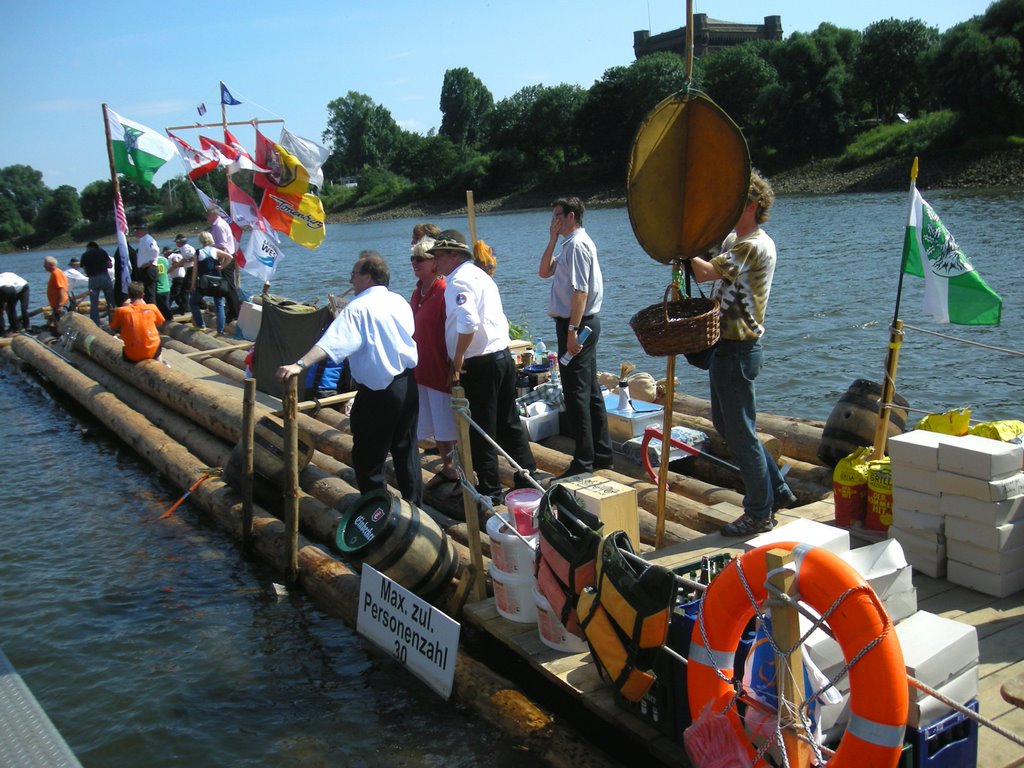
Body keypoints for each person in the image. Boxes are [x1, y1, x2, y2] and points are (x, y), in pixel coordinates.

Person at [684, 169, 797, 536]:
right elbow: (710, 253)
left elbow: (703, 274)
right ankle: (777, 490)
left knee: (741, 432)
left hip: (739, 348)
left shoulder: (755, 245)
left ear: (750, 205)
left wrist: (683, 250)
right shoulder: (736, 239)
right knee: (729, 425)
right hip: (726, 348)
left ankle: (759, 513)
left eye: (732, 203)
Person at [277, 251, 422, 505]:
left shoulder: (357, 308)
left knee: (368, 455)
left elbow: (332, 345)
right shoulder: (398, 301)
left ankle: (375, 510)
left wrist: (300, 364)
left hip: (379, 391)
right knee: (406, 449)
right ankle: (416, 506)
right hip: (407, 384)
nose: (350, 280)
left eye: (354, 274)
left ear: (367, 277)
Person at [428, 229, 536, 506]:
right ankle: (527, 475)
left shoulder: (458, 282)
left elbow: (468, 323)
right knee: (508, 422)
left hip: (479, 363)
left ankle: (490, 491)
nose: (435, 261)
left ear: (454, 255)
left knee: (481, 430)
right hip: (500, 356)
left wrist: (458, 358)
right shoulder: (480, 276)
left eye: (439, 255)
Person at [538, 196, 613, 477]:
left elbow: (580, 292)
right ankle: (602, 453)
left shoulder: (579, 245)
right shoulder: (568, 245)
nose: (553, 221)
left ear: (571, 216)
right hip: (574, 323)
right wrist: (551, 239)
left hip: (577, 324)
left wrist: (572, 331)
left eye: (557, 216)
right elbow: (544, 271)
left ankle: (584, 461)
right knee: (589, 390)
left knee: (576, 393)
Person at [409, 236, 459, 488]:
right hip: (422, 367)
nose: (415, 263)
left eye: (420, 259)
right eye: (412, 258)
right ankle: (447, 466)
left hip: (440, 366)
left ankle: (457, 468)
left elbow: (453, 330)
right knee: (434, 423)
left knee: (446, 420)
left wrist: (454, 364)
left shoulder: (444, 290)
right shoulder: (418, 291)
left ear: (434, 263)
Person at [110, 281, 165, 362]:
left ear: (129, 295)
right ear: (143, 295)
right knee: (157, 344)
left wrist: (124, 306)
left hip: (132, 354)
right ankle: (159, 362)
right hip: (152, 350)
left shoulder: (121, 310)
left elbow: (113, 326)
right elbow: (160, 323)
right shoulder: (152, 307)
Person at [190, 231, 232, 334]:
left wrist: (193, 284)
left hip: (204, 283)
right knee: (219, 305)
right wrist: (221, 267)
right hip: (217, 281)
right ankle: (220, 330)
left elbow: (195, 270)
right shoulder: (216, 251)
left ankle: (201, 325)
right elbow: (230, 257)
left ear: (201, 240)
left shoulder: (198, 252)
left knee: (193, 302)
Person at [207, 208, 240, 323]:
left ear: (213, 215)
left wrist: (220, 261)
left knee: (229, 286)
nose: (206, 218)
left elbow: (222, 246)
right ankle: (232, 310)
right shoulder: (219, 224)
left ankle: (234, 313)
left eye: (208, 215)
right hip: (226, 257)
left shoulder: (219, 226)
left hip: (225, 258)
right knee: (227, 286)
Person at [80, 241, 114, 325]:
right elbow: (110, 265)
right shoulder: (102, 252)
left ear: (88, 248)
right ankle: (113, 320)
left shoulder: (85, 255)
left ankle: (95, 323)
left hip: (93, 279)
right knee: (110, 301)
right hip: (104, 277)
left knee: (94, 303)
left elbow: (84, 269)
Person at [133, 223, 160, 304]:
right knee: (147, 293)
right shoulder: (143, 240)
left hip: (148, 269)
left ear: (143, 231)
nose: (136, 232)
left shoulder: (148, 240)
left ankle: (151, 312)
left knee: (150, 293)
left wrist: (150, 262)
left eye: (138, 230)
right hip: (144, 269)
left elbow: (155, 250)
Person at [170, 234, 195, 314]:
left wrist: (179, 263)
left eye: (177, 242)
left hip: (191, 269)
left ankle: (185, 309)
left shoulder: (185, 248)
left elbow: (191, 258)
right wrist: (179, 263)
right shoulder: (187, 248)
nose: (176, 244)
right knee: (189, 289)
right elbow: (186, 260)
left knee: (185, 290)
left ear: (180, 242)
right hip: (190, 269)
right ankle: (187, 307)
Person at [44, 256, 68, 331]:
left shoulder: (56, 273)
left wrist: (60, 304)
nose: (44, 266)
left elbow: (61, 288)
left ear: (51, 264)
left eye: (45, 264)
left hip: (60, 304)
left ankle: (64, 338)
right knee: (58, 324)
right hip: (56, 304)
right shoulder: (55, 273)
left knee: (62, 324)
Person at [155, 247, 172, 319]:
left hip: (157, 289)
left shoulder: (151, 261)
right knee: (167, 306)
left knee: (159, 309)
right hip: (166, 287)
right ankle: (169, 321)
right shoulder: (164, 260)